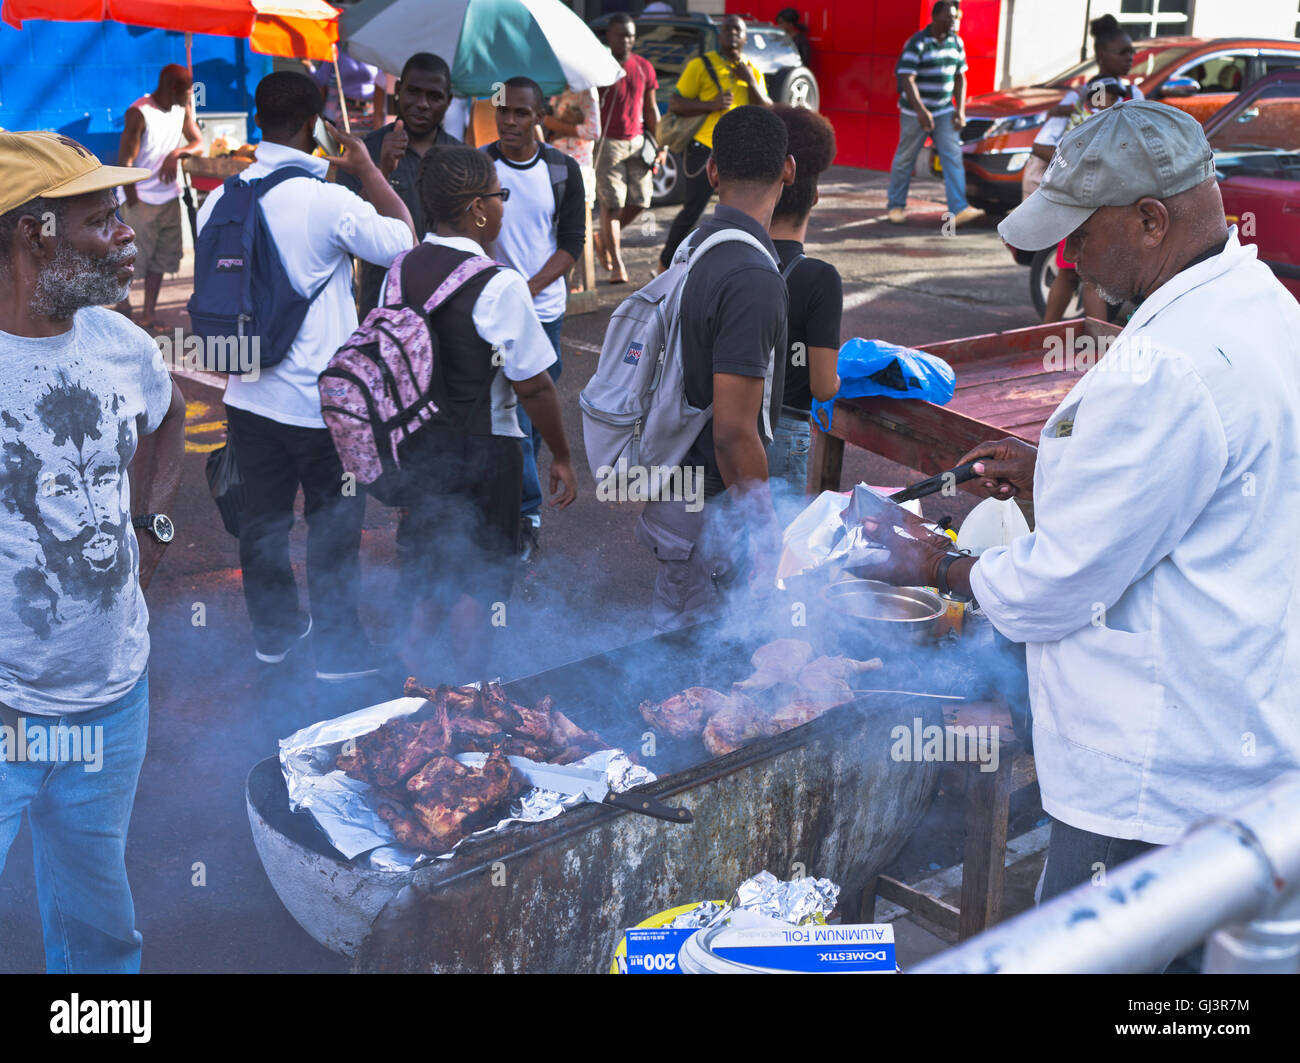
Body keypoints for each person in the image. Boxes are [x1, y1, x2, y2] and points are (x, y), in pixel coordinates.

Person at [864, 102, 1300, 913]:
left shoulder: (1168, 365)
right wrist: (1053, 472)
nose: (1070, 256)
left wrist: (935, 562)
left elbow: (1057, 588)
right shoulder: (1262, 303)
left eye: (1081, 232)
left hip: (1151, 783)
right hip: (1240, 743)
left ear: (1149, 219)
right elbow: (1192, 495)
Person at [0, 132, 185, 972]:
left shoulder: (122, 345)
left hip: (112, 703)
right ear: (35, 235)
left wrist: (153, 527)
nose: (126, 235)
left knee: (99, 932)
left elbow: (170, 415)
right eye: (102, 219)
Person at [195, 71, 415, 680]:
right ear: (316, 124)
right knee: (334, 525)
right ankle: (339, 654)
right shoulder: (328, 200)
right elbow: (404, 241)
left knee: (262, 523)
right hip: (320, 406)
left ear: (257, 118)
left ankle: (274, 637)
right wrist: (368, 169)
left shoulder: (220, 197)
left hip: (245, 394)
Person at [392, 146, 578, 679]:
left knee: (431, 564)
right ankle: (471, 690)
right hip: (484, 451)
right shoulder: (498, 282)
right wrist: (562, 455)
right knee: (481, 580)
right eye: (500, 196)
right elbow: (536, 386)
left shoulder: (402, 267)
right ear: (477, 207)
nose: (503, 206)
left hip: (419, 448)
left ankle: (411, 678)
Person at [637, 106, 794, 631]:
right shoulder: (752, 275)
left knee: (679, 644)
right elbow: (731, 431)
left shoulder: (693, 247)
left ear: (712, 173)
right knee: (697, 663)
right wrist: (767, 530)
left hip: (678, 496)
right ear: (788, 171)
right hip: (708, 510)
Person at [481, 76, 585, 562]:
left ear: (540, 116)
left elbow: (571, 245)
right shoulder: (481, 165)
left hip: (544, 313)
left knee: (534, 417)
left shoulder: (563, 170)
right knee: (514, 414)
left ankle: (520, 498)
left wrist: (530, 288)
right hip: (495, 315)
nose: (509, 120)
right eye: (503, 111)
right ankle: (525, 515)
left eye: (521, 112)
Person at [338, 52, 460, 316]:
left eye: (434, 96)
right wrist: (379, 170)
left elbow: (478, 230)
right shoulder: (364, 152)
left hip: (447, 302)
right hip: (383, 305)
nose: (422, 104)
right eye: (413, 92)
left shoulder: (461, 158)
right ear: (398, 92)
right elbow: (347, 226)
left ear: (448, 101)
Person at [767, 105, 842, 513]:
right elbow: (823, 386)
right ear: (814, 195)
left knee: (721, 544)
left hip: (718, 428)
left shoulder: (729, 257)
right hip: (784, 433)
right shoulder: (819, 278)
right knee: (772, 553)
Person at [657, 14, 773, 272]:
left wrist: (749, 80)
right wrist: (711, 104)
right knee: (692, 211)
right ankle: (664, 265)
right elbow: (676, 103)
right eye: (727, 29)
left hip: (740, 152)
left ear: (744, 37)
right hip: (704, 149)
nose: (732, 34)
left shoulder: (752, 69)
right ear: (719, 36)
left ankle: (737, 265)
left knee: (743, 214)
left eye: (737, 30)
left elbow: (767, 109)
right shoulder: (700, 65)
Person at [1034, 76, 1133, 322]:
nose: (1111, 100)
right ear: (1093, 98)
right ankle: (1097, 345)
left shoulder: (1083, 122)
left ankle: (1046, 332)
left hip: (1073, 203)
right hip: (1089, 205)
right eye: (1106, 95)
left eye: (1114, 96)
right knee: (1090, 276)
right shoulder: (1099, 124)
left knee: (1070, 273)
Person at [114, 64, 202, 332]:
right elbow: (125, 161)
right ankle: (122, 304)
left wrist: (176, 154)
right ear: (173, 88)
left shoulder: (181, 110)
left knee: (162, 260)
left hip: (169, 198)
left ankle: (148, 314)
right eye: (187, 91)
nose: (191, 96)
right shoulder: (138, 113)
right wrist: (132, 202)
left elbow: (197, 142)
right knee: (130, 259)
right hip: (140, 198)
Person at [886, 1, 982, 227]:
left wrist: (960, 110)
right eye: (949, 18)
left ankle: (959, 208)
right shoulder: (918, 43)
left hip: (944, 110)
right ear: (935, 17)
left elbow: (960, 77)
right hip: (914, 112)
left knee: (952, 156)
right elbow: (907, 79)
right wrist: (921, 112)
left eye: (954, 18)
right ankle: (895, 206)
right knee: (905, 158)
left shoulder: (956, 42)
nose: (953, 22)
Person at [595, 13, 663, 284]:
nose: (627, 40)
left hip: (637, 142)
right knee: (612, 205)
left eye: (631, 35)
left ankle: (604, 238)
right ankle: (617, 265)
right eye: (622, 35)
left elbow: (651, 108)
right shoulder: (599, 65)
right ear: (609, 36)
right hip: (608, 142)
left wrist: (659, 143)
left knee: (641, 200)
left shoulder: (644, 66)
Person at [545, 84, 601, 208]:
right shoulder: (558, 90)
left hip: (578, 163)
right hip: (555, 159)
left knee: (575, 209)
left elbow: (594, 131)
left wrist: (556, 125)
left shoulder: (586, 92)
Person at [312, 52, 388, 135]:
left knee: (371, 143)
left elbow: (382, 80)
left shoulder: (371, 50)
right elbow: (321, 79)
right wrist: (309, 66)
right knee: (348, 145)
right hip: (346, 108)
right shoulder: (337, 50)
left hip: (370, 109)